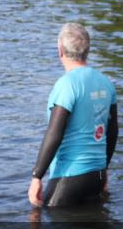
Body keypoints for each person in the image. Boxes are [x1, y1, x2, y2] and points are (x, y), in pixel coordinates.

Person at [29, 23, 118, 208]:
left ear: (60, 50)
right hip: (97, 176)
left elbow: (55, 133)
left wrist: (37, 176)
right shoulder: (106, 82)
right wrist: (104, 170)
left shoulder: (66, 85)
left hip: (70, 176)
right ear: (88, 49)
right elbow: (113, 131)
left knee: (49, 224)